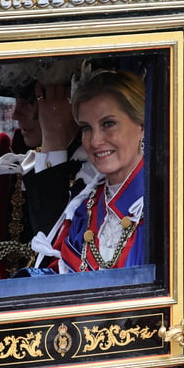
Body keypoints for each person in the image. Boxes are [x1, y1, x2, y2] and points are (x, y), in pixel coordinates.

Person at [0, 58, 88, 280]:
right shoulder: (12, 168)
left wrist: (54, 136)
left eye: (29, 101)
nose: (15, 115)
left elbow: (52, 246)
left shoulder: (94, 172)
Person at [50, 68, 146, 273]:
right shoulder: (84, 210)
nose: (94, 141)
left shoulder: (167, 207)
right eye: (86, 128)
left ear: (142, 125)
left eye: (108, 124)